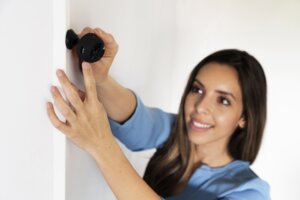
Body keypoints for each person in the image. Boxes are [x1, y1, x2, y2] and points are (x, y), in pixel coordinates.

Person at [47, 27, 270, 200]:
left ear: (245, 117)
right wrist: (101, 79)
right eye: (197, 89)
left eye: (223, 100)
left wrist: (100, 145)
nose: (201, 106)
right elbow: (138, 120)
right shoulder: (179, 133)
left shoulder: (249, 192)